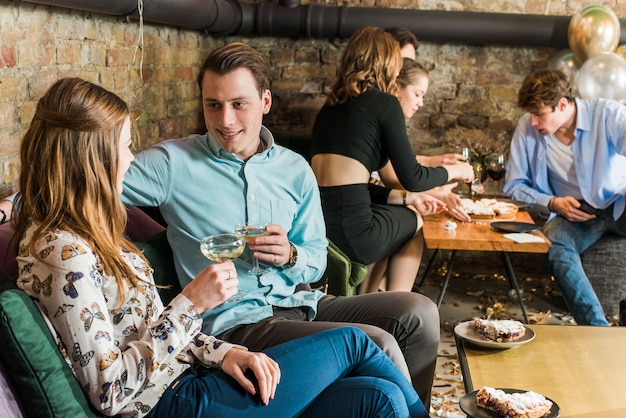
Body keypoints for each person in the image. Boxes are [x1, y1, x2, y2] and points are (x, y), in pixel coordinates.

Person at [13, 77, 428, 417]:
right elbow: (110, 390)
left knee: (379, 396)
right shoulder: (63, 253)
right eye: (123, 148)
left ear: (264, 103)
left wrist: (225, 354)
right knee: (357, 342)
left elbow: (147, 330)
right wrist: (191, 303)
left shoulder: (92, 234)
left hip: (198, 373)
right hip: (172, 403)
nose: (129, 159)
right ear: (92, 160)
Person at [119, 41, 440, 407]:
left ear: (265, 102)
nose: (225, 120)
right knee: (374, 342)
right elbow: (95, 182)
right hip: (236, 323)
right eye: (214, 105)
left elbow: (318, 259)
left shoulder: (294, 169)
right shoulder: (172, 163)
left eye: (238, 104)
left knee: (418, 313)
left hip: (302, 301)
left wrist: (290, 256)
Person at [311, 27, 474, 293]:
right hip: (354, 233)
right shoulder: (384, 103)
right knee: (414, 221)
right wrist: (456, 169)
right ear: (388, 62)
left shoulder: (330, 107)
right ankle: (396, 307)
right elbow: (413, 176)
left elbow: (348, 187)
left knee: (400, 214)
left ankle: (368, 304)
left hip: (322, 228)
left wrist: (409, 197)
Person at [503, 68, 626, 326]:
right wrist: (551, 202)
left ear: (562, 104)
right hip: (572, 212)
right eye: (531, 114)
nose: (534, 122)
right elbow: (513, 185)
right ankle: (597, 329)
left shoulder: (607, 113)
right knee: (554, 245)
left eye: (539, 114)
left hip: (618, 202)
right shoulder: (528, 127)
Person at [360, 58, 472, 294]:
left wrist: (434, 191)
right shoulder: (386, 111)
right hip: (357, 208)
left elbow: (395, 175)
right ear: (396, 86)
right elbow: (408, 177)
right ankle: (396, 302)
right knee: (413, 220)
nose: (421, 103)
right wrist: (453, 174)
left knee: (408, 211)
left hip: (359, 198)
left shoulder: (365, 110)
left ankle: (387, 299)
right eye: (418, 94)